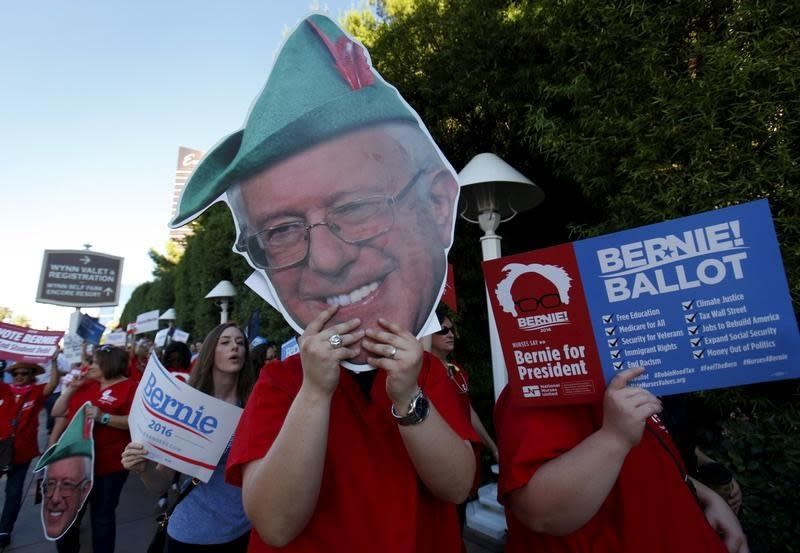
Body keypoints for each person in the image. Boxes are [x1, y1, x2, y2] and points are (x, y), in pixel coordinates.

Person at [169, 15, 459, 370]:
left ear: (439, 204)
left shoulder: (449, 383)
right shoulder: (281, 392)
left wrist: (410, 401)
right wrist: (315, 391)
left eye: (355, 208)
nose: (327, 260)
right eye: (281, 231)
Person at [495, 366, 749, 553]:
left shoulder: (621, 380)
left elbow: (645, 464)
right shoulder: (545, 386)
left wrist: (707, 496)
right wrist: (613, 438)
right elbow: (540, 512)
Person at [121, 323, 256, 552]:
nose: (235, 347)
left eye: (240, 342)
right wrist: (143, 469)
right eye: (225, 342)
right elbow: (160, 483)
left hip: (246, 531)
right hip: (193, 535)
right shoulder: (188, 408)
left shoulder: (255, 404)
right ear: (209, 352)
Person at [50, 345, 135, 553]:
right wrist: (71, 388)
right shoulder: (85, 385)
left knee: (102, 517)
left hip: (109, 467)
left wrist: (103, 417)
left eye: (94, 362)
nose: (88, 366)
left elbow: (135, 422)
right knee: (69, 516)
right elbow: (57, 411)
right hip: (75, 465)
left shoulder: (131, 387)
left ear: (109, 364)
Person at [0, 360, 59, 548]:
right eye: (16, 373)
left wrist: (55, 360)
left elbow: (53, 383)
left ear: (31, 376)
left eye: (24, 374)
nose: (19, 377)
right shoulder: (4, 389)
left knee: (13, 492)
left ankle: (4, 530)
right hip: (1, 449)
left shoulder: (36, 392)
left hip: (22, 452)